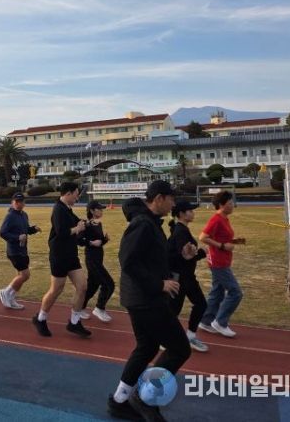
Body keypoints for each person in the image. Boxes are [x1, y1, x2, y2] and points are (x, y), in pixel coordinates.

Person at [107, 180, 194, 422]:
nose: (174, 204)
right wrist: (159, 285)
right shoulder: (143, 224)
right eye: (171, 199)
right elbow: (128, 261)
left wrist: (183, 255)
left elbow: (156, 258)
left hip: (142, 298)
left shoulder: (152, 224)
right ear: (158, 198)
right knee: (179, 348)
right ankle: (144, 398)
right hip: (146, 299)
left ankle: (119, 401)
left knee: (147, 347)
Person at [32, 182, 91, 338]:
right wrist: (77, 228)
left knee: (82, 286)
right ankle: (40, 319)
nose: (78, 197)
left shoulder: (67, 209)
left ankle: (74, 322)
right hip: (59, 255)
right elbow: (61, 232)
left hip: (71, 255)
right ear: (68, 193)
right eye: (76, 194)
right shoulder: (58, 209)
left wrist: (87, 223)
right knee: (56, 289)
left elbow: (78, 222)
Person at [198, 190, 245, 338]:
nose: (232, 205)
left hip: (223, 260)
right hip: (218, 262)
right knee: (235, 292)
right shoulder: (216, 219)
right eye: (230, 203)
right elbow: (203, 237)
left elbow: (221, 236)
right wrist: (222, 246)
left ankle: (206, 321)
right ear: (221, 205)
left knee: (217, 292)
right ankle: (220, 322)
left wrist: (234, 241)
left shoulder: (225, 219)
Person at [167, 200, 209, 352]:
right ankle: (165, 338)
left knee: (200, 304)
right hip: (179, 277)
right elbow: (185, 256)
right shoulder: (180, 232)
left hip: (187, 277)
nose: (193, 213)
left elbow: (184, 255)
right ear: (182, 214)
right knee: (173, 310)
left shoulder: (181, 230)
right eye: (190, 210)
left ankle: (190, 336)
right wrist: (202, 252)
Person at [0, 192, 40, 310]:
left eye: (21, 201)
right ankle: (5, 292)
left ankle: (11, 298)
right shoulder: (10, 216)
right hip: (14, 251)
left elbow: (26, 229)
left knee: (21, 276)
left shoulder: (24, 215)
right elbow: (2, 233)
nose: (18, 203)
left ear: (24, 203)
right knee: (25, 275)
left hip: (23, 250)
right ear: (12, 202)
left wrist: (33, 229)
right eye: (16, 201)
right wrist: (17, 238)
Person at [81, 200, 115, 322]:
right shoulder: (86, 224)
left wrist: (104, 240)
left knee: (92, 286)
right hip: (92, 259)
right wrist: (91, 242)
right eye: (99, 209)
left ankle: (79, 308)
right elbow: (79, 240)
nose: (101, 211)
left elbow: (98, 243)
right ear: (92, 211)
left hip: (98, 259)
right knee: (109, 284)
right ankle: (99, 308)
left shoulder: (98, 224)